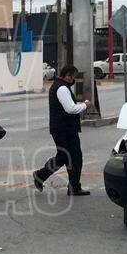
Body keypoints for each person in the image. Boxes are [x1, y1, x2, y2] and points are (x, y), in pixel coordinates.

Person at [33, 66, 91, 196]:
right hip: (64, 129)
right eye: (73, 76)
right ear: (68, 76)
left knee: (65, 156)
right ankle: (72, 186)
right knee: (73, 158)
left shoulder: (59, 86)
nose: (74, 79)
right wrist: (85, 105)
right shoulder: (62, 88)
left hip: (63, 128)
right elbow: (70, 109)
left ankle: (42, 176)